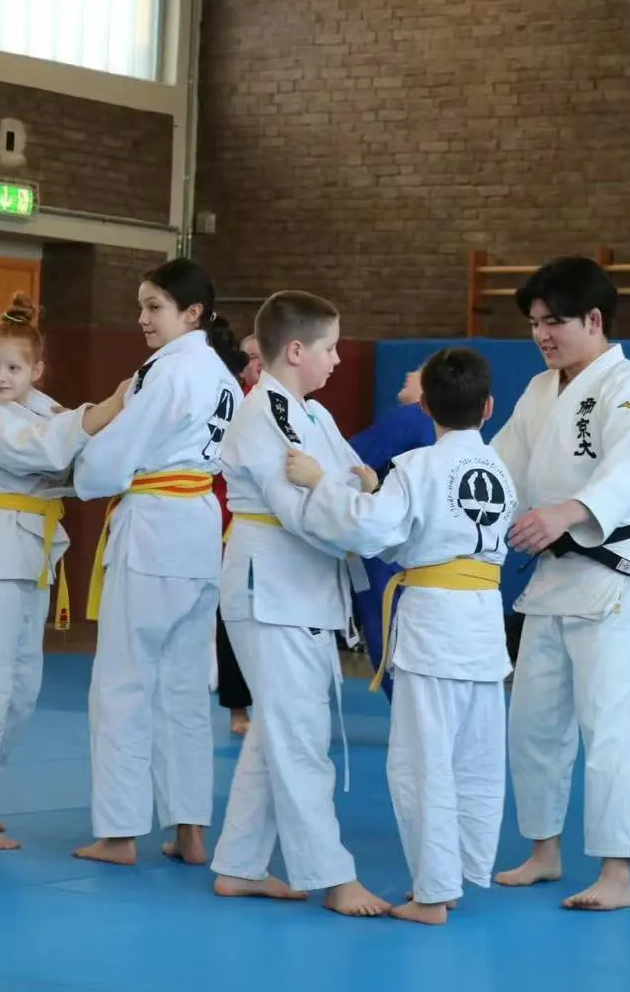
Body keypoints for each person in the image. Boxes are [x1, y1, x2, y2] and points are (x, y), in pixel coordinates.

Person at [285, 347, 517, 925]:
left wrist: (321, 483)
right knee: (476, 758)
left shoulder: (417, 466)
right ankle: (457, 876)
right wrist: (376, 490)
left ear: (425, 406)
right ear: (489, 407)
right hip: (485, 626)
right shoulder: (500, 469)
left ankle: (432, 894)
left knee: (424, 760)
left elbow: (371, 532)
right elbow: (417, 530)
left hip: (435, 626)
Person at [489, 255, 630, 912]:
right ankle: (544, 851)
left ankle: (616, 874)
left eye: (554, 322)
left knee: (610, 728)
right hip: (551, 578)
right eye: (534, 323)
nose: (542, 335)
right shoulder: (539, 391)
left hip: (613, 578)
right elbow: (499, 465)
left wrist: (566, 513)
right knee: (532, 723)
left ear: (594, 319)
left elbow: (625, 473)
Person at [209, 289, 391, 918]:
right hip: (272, 586)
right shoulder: (267, 415)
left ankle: (239, 865)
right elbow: (303, 510)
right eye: (329, 348)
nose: (337, 359)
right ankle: (333, 877)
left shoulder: (313, 414)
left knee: (277, 731)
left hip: (301, 588)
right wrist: (356, 504)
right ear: (295, 350)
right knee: (299, 737)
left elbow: (358, 479)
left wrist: (356, 494)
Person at [70, 259, 245, 868]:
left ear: (192, 313)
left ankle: (119, 833)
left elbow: (117, 451)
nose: (143, 318)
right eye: (141, 306)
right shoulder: (224, 377)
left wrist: (79, 471)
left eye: (154, 307)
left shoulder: (165, 370)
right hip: (199, 529)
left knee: (123, 681)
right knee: (184, 687)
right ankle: (190, 829)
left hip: (153, 529)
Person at [0, 303, 126, 850]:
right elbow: (48, 450)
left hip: (28, 550)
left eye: (13, 367)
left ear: (36, 371)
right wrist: (113, 404)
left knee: (22, 689)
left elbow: (73, 457)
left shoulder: (40, 408)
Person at [347, 364, 437, 702]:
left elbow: (351, 458)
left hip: (390, 546)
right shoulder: (454, 434)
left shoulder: (412, 416)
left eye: (417, 371)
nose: (408, 373)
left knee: (383, 626)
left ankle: (408, 709)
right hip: (431, 550)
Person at [215, 332, 259, 736]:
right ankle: (237, 707)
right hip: (227, 524)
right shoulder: (230, 404)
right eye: (250, 358)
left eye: (264, 356)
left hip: (280, 533)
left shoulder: (301, 409)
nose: (257, 364)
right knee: (230, 616)